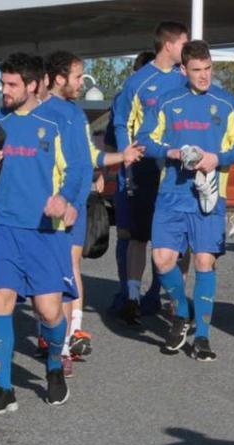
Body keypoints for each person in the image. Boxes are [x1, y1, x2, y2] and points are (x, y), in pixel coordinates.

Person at [0, 52, 84, 414]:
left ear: (33, 85)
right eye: (2, 83)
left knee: (49, 312)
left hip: (45, 231)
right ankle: (4, 390)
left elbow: (79, 169)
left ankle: (53, 365)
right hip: (3, 227)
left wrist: (64, 199)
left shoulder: (60, 120)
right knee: (0, 302)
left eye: (11, 84)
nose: (4, 90)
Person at [137, 40, 234, 358]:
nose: (204, 76)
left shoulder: (227, 103)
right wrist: (172, 152)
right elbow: (145, 140)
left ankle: (202, 337)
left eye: (208, 69)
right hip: (172, 193)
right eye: (197, 70)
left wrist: (218, 158)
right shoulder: (166, 101)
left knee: (204, 261)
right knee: (162, 260)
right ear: (183, 69)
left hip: (209, 196)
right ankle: (183, 313)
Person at [42, 50, 145, 376]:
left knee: (71, 267)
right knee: (49, 271)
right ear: (59, 78)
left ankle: (71, 335)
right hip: (49, 204)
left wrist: (120, 156)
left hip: (77, 203)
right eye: (76, 76)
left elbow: (89, 156)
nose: (81, 83)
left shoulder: (76, 114)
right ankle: (50, 332)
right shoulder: (41, 113)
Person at [113, 21, 189, 326]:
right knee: (138, 235)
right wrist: (126, 157)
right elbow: (121, 122)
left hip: (177, 170)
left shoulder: (187, 78)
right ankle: (132, 297)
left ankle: (175, 302)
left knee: (178, 240)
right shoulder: (139, 82)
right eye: (185, 42)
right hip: (144, 169)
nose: (187, 48)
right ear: (169, 45)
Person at [108, 50, 156, 312]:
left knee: (161, 241)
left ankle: (155, 294)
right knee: (128, 236)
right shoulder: (124, 98)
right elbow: (111, 139)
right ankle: (128, 294)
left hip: (157, 175)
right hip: (130, 178)